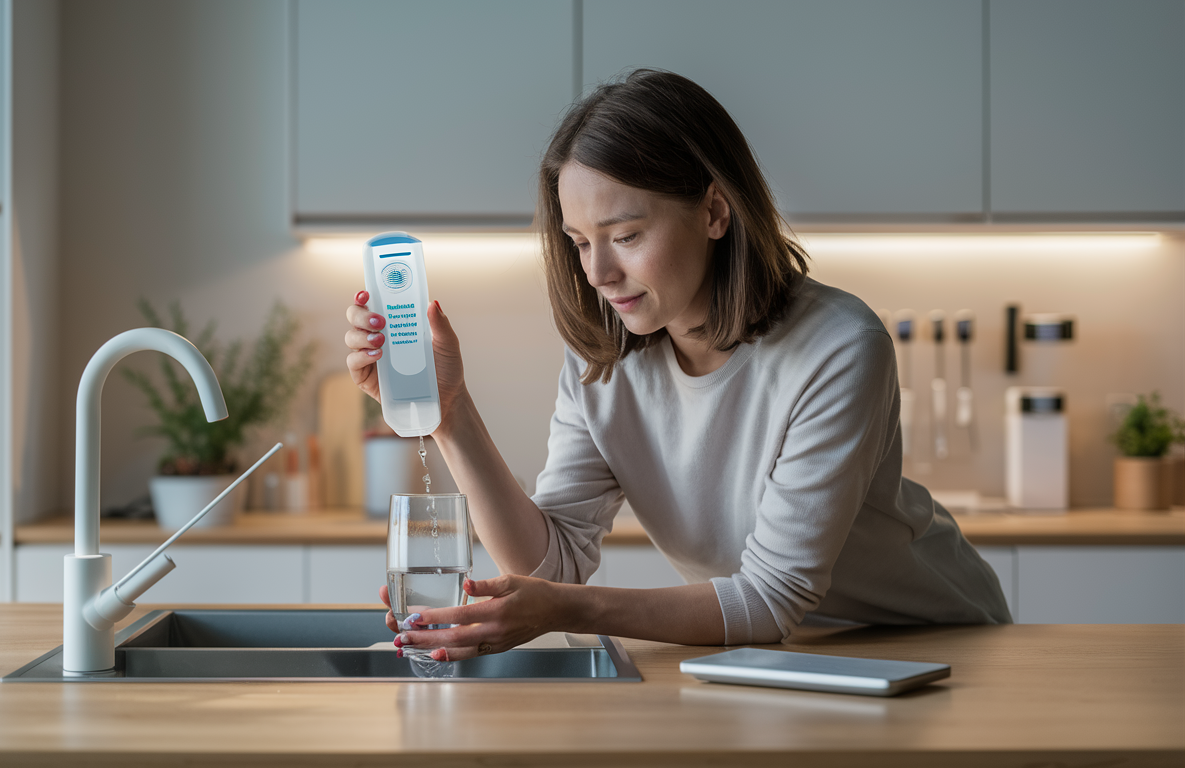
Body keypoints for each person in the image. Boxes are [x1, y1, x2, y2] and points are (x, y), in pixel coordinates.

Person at [344, 70, 1011, 662]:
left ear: (715, 211)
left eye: (626, 236)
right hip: (771, 658)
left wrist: (570, 610)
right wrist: (450, 415)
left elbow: (771, 599)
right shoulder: (602, 361)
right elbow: (552, 562)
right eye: (580, 243)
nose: (599, 273)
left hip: (932, 646)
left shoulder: (837, 348)